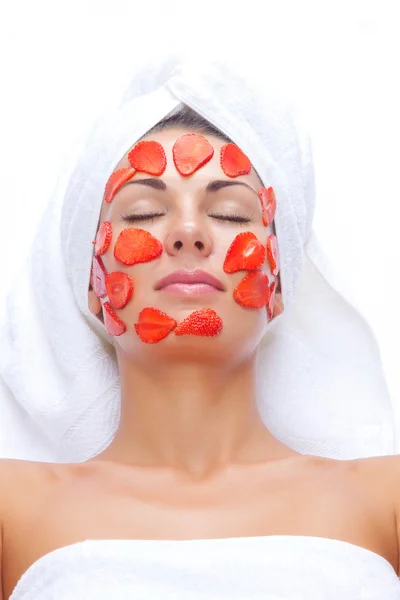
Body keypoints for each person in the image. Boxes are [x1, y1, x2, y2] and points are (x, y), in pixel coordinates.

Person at [0, 53, 399, 599]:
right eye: (142, 213)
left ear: (278, 282)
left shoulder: (386, 500)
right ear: (93, 280)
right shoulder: (12, 511)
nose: (188, 232)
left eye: (231, 214)